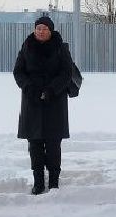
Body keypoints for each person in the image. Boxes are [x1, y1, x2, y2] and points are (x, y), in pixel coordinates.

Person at [12, 15, 74, 194]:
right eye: (38, 28)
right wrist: (28, 87)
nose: (40, 31)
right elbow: (18, 71)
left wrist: (52, 90)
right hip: (32, 101)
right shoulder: (27, 47)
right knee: (35, 143)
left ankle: (54, 180)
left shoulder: (61, 48)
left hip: (54, 101)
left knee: (54, 143)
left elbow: (66, 72)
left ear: (51, 31)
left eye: (44, 29)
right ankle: (38, 180)